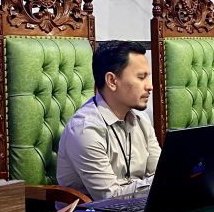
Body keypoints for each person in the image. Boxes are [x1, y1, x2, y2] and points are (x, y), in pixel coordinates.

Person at [56, 41, 162, 201]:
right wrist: (164, 181)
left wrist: (169, 178)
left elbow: (160, 172)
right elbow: (109, 198)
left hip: (142, 206)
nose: (150, 86)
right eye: (141, 77)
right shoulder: (85, 130)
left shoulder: (142, 119)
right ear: (112, 81)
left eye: (148, 77)